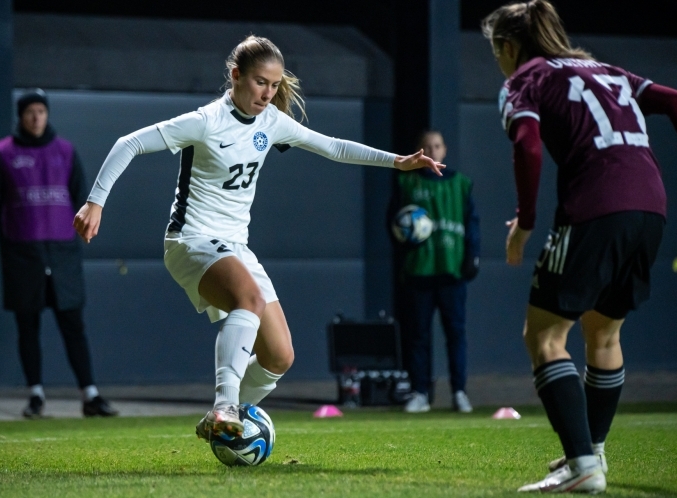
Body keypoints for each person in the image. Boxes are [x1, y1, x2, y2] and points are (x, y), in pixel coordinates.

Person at [72, 35, 443, 440]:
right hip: (191, 240)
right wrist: (95, 202)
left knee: (279, 355)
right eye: (260, 82)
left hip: (236, 246)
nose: (267, 94)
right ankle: (225, 406)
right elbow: (128, 144)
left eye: (275, 85)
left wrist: (397, 161)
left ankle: (221, 422)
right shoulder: (206, 121)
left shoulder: (271, 122)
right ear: (236, 76)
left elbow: (333, 147)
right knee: (248, 299)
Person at [482, 0, 677, 493]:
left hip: (596, 208)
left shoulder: (523, 80)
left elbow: (528, 146)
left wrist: (525, 224)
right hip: (651, 208)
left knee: (544, 336)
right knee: (604, 334)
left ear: (509, 46)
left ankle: (583, 465)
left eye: (496, 50)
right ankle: (591, 451)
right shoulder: (602, 69)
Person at [0, 89, 118, 419]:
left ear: (47, 114)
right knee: (28, 325)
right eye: (30, 112)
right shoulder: (2, 153)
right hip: (22, 254)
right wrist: (15, 222)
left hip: (63, 254)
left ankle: (90, 395)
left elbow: (82, 197)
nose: (36, 117)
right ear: (21, 116)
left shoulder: (65, 152)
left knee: (73, 324)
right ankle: (36, 396)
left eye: (41, 111)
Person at [389, 131, 480, 414]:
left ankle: (459, 392)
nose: (432, 149)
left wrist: (472, 256)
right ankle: (420, 392)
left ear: (444, 150)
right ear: (419, 150)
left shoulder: (461, 184)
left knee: (456, 334)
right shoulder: (407, 182)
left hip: (451, 271)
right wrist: (404, 248)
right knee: (418, 335)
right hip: (419, 272)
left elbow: (472, 223)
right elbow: (392, 223)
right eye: (427, 145)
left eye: (437, 145)